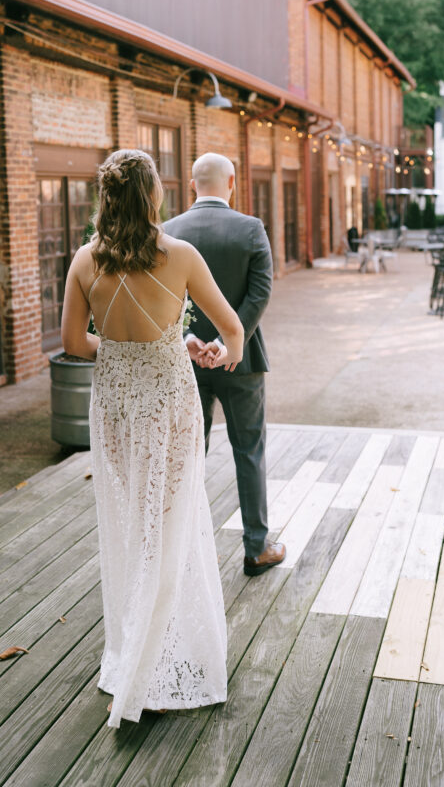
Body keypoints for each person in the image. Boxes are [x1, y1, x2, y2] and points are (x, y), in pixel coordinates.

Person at [61, 148, 244, 730]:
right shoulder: (181, 256)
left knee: (134, 525)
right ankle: (151, 673)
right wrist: (217, 350)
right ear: (153, 196)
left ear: (106, 198)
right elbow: (232, 329)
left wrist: (127, 347)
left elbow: (72, 341)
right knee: (168, 526)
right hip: (168, 405)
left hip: (115, 407)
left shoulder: (85, 262)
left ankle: (138, 655)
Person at [164, 152, 286, 577]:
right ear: (231, 181)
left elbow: (162, 302)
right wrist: (227, 341)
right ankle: (256, 548)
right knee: (249, 451)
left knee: (186, 453)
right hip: (242, 358)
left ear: (192, 183)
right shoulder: (250, 229)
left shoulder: (167, 232)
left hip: (184, 359)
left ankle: (182, 552)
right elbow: (260, 294)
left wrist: (190, 339)